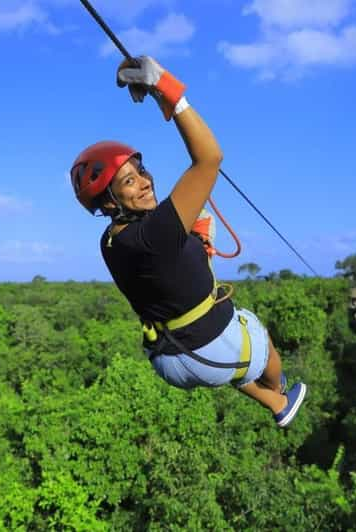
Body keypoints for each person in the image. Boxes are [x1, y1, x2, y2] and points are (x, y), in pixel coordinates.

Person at [70, 55, 306, 427]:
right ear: (110, 200)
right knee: (254, 336)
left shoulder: (111, 241)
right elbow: (209, 158)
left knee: (231, 360)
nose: (145, 182)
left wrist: (193, 246)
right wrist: (167, 88)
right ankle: (282, 393)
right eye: (129, 181)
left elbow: (164, 271)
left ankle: (272, 406)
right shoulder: (154, 234)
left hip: (168, 359)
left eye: (140, 171)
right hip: (210, 351)